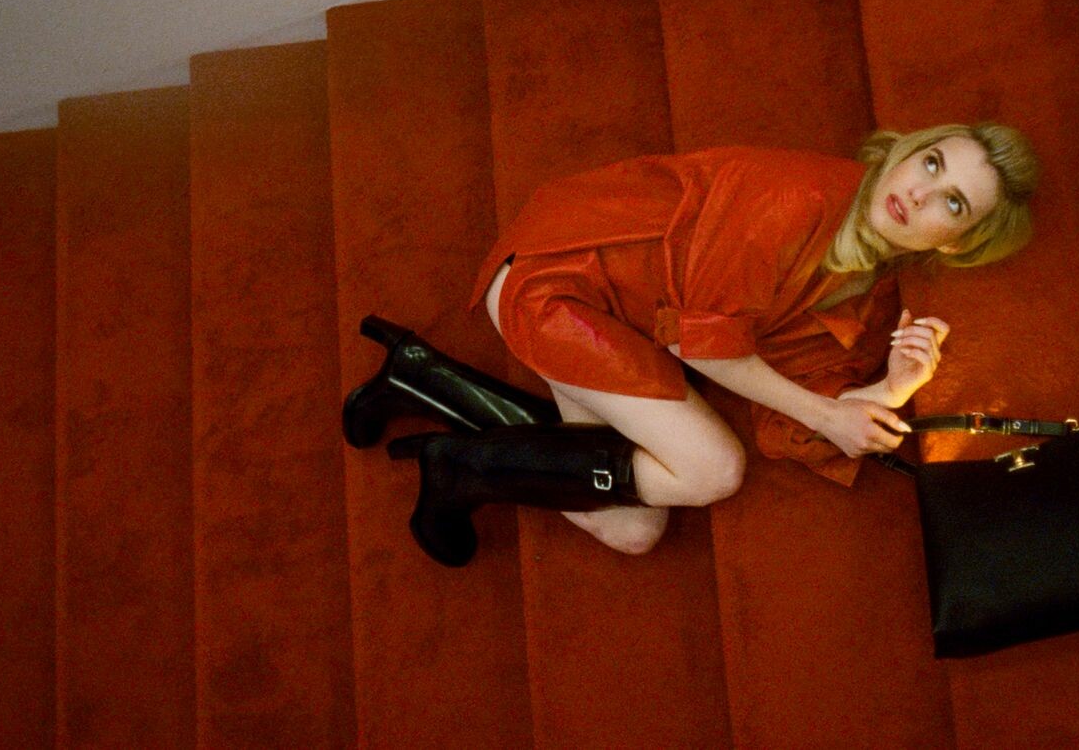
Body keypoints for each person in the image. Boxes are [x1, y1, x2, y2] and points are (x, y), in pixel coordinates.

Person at [342, 123, 1040, 566]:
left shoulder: (869, 284)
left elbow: (794, 419)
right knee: (713, 469)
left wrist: (890, 388)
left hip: (627, 323)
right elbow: (710, 352)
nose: (920, 195)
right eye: (931, 163)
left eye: (953, 203)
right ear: (907, 150)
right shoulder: (792, 200)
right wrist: (827, 413)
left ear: (957, 243)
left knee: (634, 530)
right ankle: (458, 467)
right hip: (559, 281)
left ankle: (423, 379)